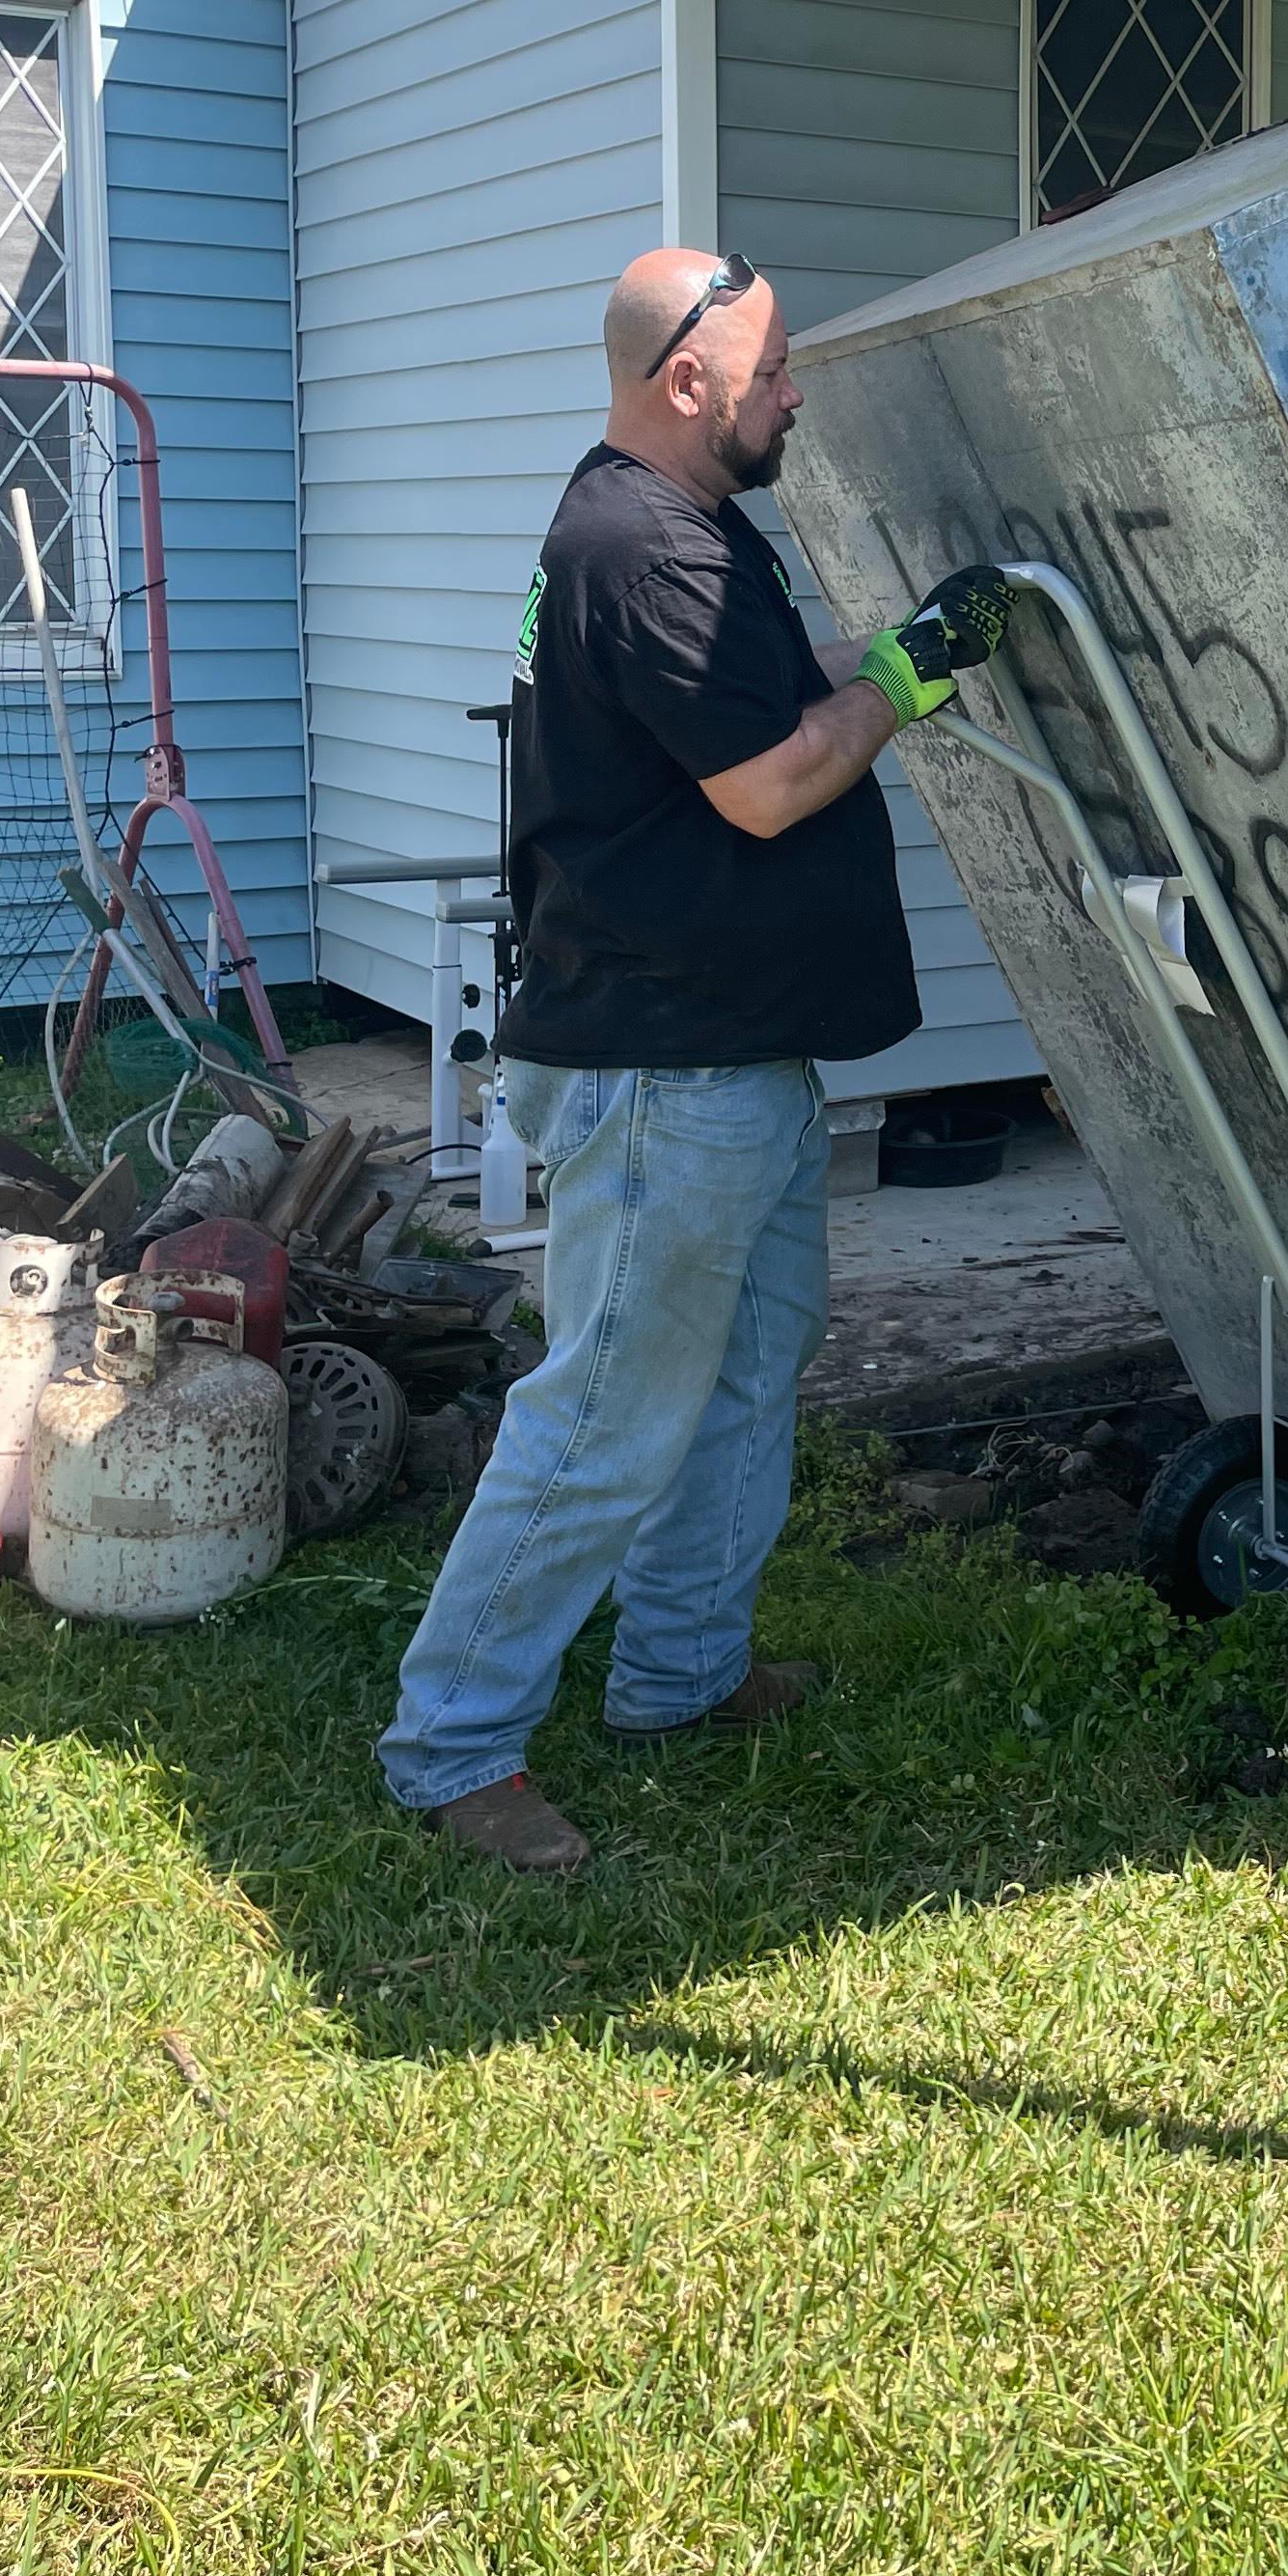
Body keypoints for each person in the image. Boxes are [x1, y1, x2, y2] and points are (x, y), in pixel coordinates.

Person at [378, 249, 1009, 1872]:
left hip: (733, 1049)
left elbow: (755, 704)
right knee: (605, 1413)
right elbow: (770, 784)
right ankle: (454, 1748)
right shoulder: (637, 548)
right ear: (688, 382)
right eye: (778, 369)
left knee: (743, 1373)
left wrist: (874, 663)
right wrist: (910, 674)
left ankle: (680, 1675)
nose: (796, 392)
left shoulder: (680, 528)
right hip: (663, 1069)